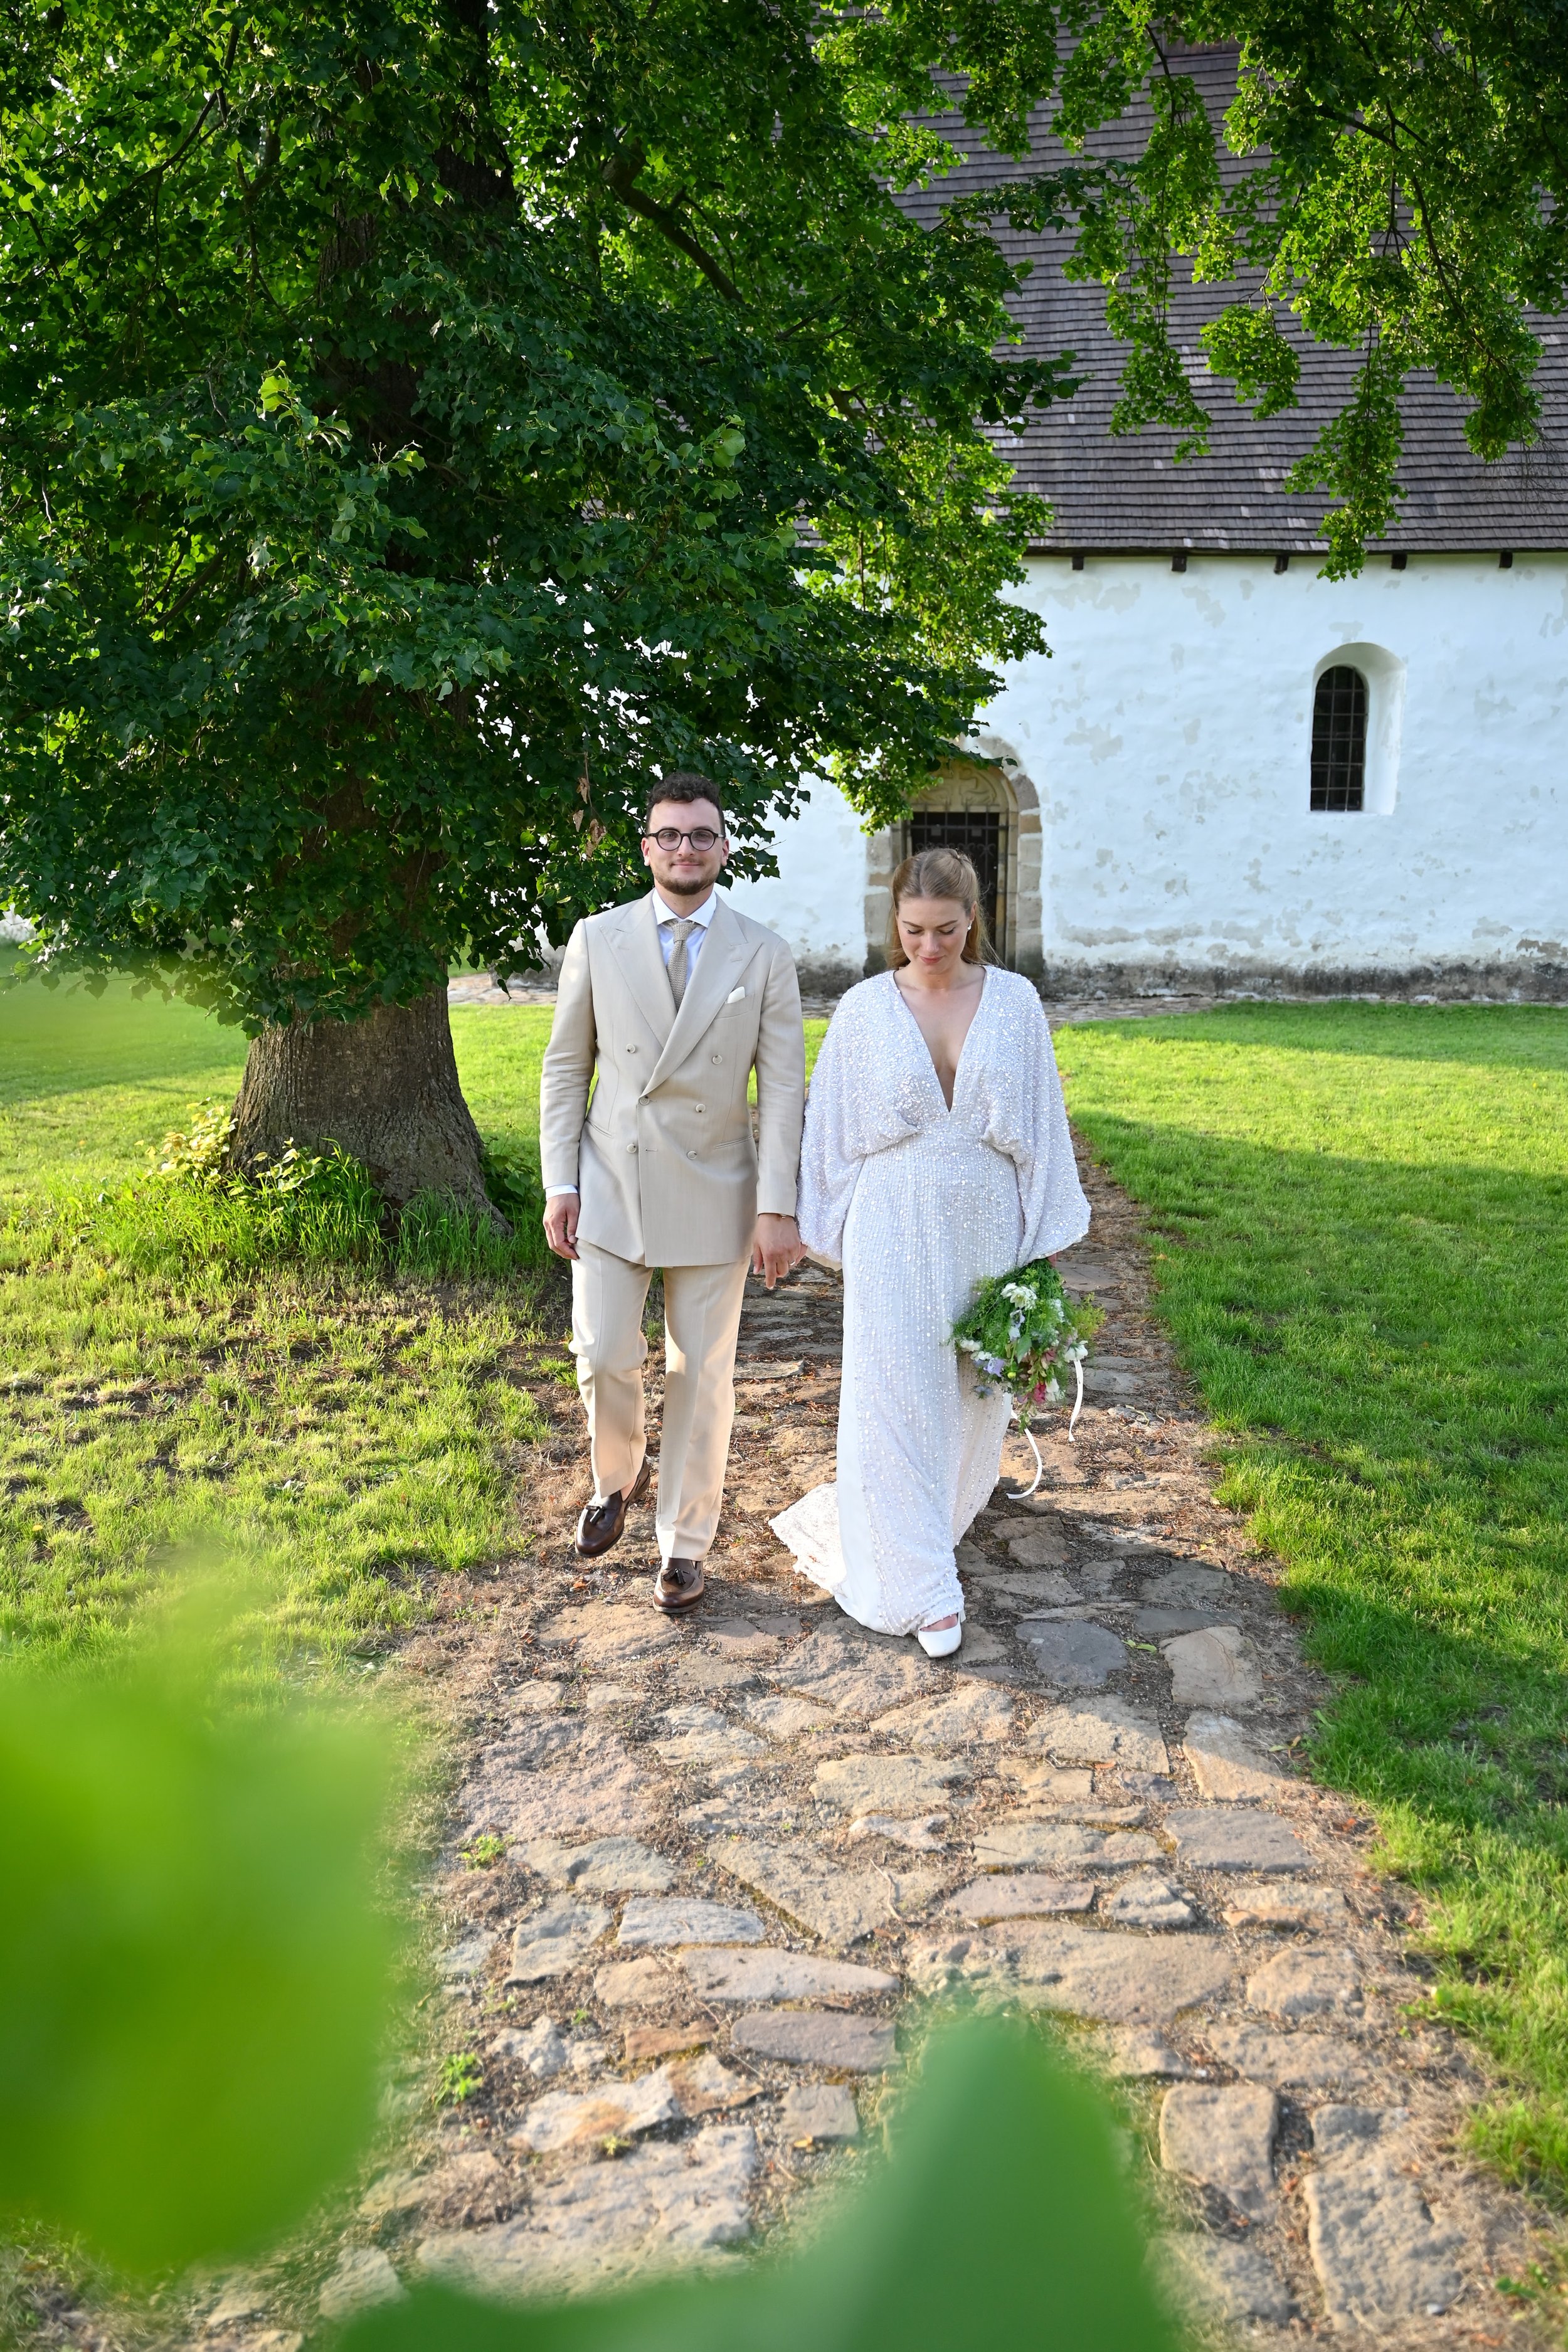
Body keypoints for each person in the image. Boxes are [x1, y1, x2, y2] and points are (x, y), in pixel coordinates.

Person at [771, 847, 1089, 1656]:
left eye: (945, 929)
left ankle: (918, 1526)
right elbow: (830, 1134)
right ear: (896, 925)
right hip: (892, 1224)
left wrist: (1039, 1243)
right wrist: (822, 1225)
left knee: (965, 1392)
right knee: (892, 1392)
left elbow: (1043, 1126)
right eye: (912, 930)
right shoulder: (864, 1010)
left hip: (984, 1222)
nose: (928, 946)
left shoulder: (1015, 1004)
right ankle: (922, 1590)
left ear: (972, 920)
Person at [540, 773, 807, 1613]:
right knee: (602, 1352)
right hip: (611, 1182)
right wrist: (559, 1180)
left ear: (726, 848)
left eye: (703, 834)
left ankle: (684, 1543)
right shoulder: (597, 937)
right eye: (670, 834)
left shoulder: (763, 953)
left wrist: (776, 1206)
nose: (686, 848)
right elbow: (565, 1067)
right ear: (645, 847)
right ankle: (615, 1475)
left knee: (702, 1375)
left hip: (716, 1190)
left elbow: (786, 1090)